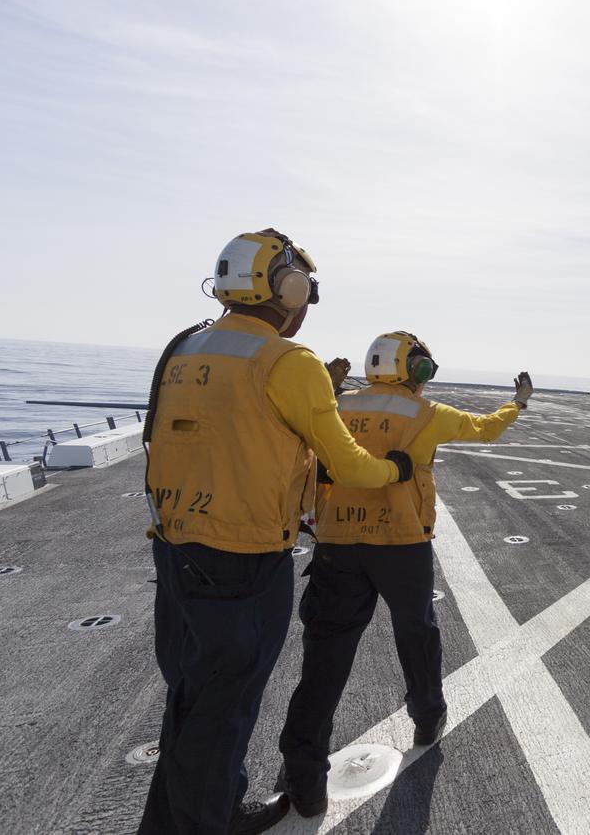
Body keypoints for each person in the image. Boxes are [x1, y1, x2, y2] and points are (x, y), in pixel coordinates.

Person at [139, 230, 415, 835]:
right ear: (287, 289)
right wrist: (396, 467)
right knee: (223, 710)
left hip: (173, 548)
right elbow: (349, 466)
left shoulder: (183, 346)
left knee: (191, 697)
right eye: (307, 292)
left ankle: (205, 808)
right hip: (241, 560)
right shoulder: (288, 361)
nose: (306, 305)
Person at [276, 331, 533, 817]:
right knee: (417, 635)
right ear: (414, 369)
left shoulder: (339, 406)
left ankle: (303, 776)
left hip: (338, 546)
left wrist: (331, 390)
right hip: (402, 544)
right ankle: (426, 719)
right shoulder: (427, 414)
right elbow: (485, 430)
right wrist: (516, 404)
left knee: (325, 657)